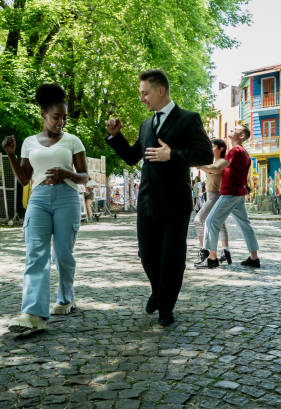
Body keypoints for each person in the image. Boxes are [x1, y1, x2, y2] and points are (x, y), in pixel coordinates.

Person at [104, 69, 212, 326]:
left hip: (175, 201)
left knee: (171, 257)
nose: (142, 98)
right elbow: (132, 157)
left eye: (145, 93)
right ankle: (158, 292)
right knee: (147, 254)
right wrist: (116, 137)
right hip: (147, 201)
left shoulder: (188, 119)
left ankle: (166, 308)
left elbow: (205, 155)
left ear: (160, 90)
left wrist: (172, 155)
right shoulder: (146, 125)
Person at [2, 83, 88, 333]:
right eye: (56, 117)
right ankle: (33, 314)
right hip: (38, 199)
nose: (61, 122)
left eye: (64, 117)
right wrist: (10, 155)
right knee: (35, 254)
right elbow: (24, 179)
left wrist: (66, 173)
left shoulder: (73, 141)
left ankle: (66, 298)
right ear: (43, 114)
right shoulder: (29, 142)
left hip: (67, 198)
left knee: (63, 254)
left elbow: (84, 176)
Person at [198, 125, 260, 268]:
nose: (231, 130)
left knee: (210, 221)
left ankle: (212, 259)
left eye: (234, 130)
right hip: (238, 194)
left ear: (242, 136)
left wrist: (197, 164)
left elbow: (217, 168)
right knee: (245, 226)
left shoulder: (235, 150)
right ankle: (254, 258)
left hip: (230, 193)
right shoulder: (244, 153)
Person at [194, 138, 231, 265]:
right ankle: (225, 251)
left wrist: (198, 165)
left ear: (220, 148)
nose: (210, 149)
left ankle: (205, 251)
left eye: (212, 146)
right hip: (212, 195)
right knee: (220, 224)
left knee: (198, 220)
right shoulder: (214, 161)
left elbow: (213, 169)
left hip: (214, 195)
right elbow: (210, 168)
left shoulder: (222, 161)